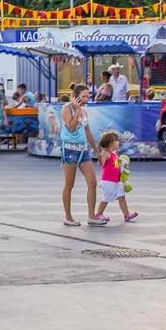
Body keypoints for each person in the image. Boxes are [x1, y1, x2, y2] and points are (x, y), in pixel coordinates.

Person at [59, 83, 102, 227]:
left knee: (92, 182)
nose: (86, 98)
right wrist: (76, 109)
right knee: (69, 184)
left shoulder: (84, 111)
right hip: (70, 149)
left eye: (88, 96)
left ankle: (91, 216)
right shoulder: (67, 108)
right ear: (76, 97)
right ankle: (68, 217)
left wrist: (97, 151)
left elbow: (87, 131)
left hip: (83, 150)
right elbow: (70, 127)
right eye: (83, 96)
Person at [92, 131, 137, 223]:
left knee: (122, 197)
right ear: (110, 143)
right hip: (108, 182)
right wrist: (101, 159)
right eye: (116, 140)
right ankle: (98, 215)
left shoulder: (114, 154)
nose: (118, 142)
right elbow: (101, 162)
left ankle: (127, 215)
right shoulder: (106, 153)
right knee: (106, 199)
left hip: (115, 182)